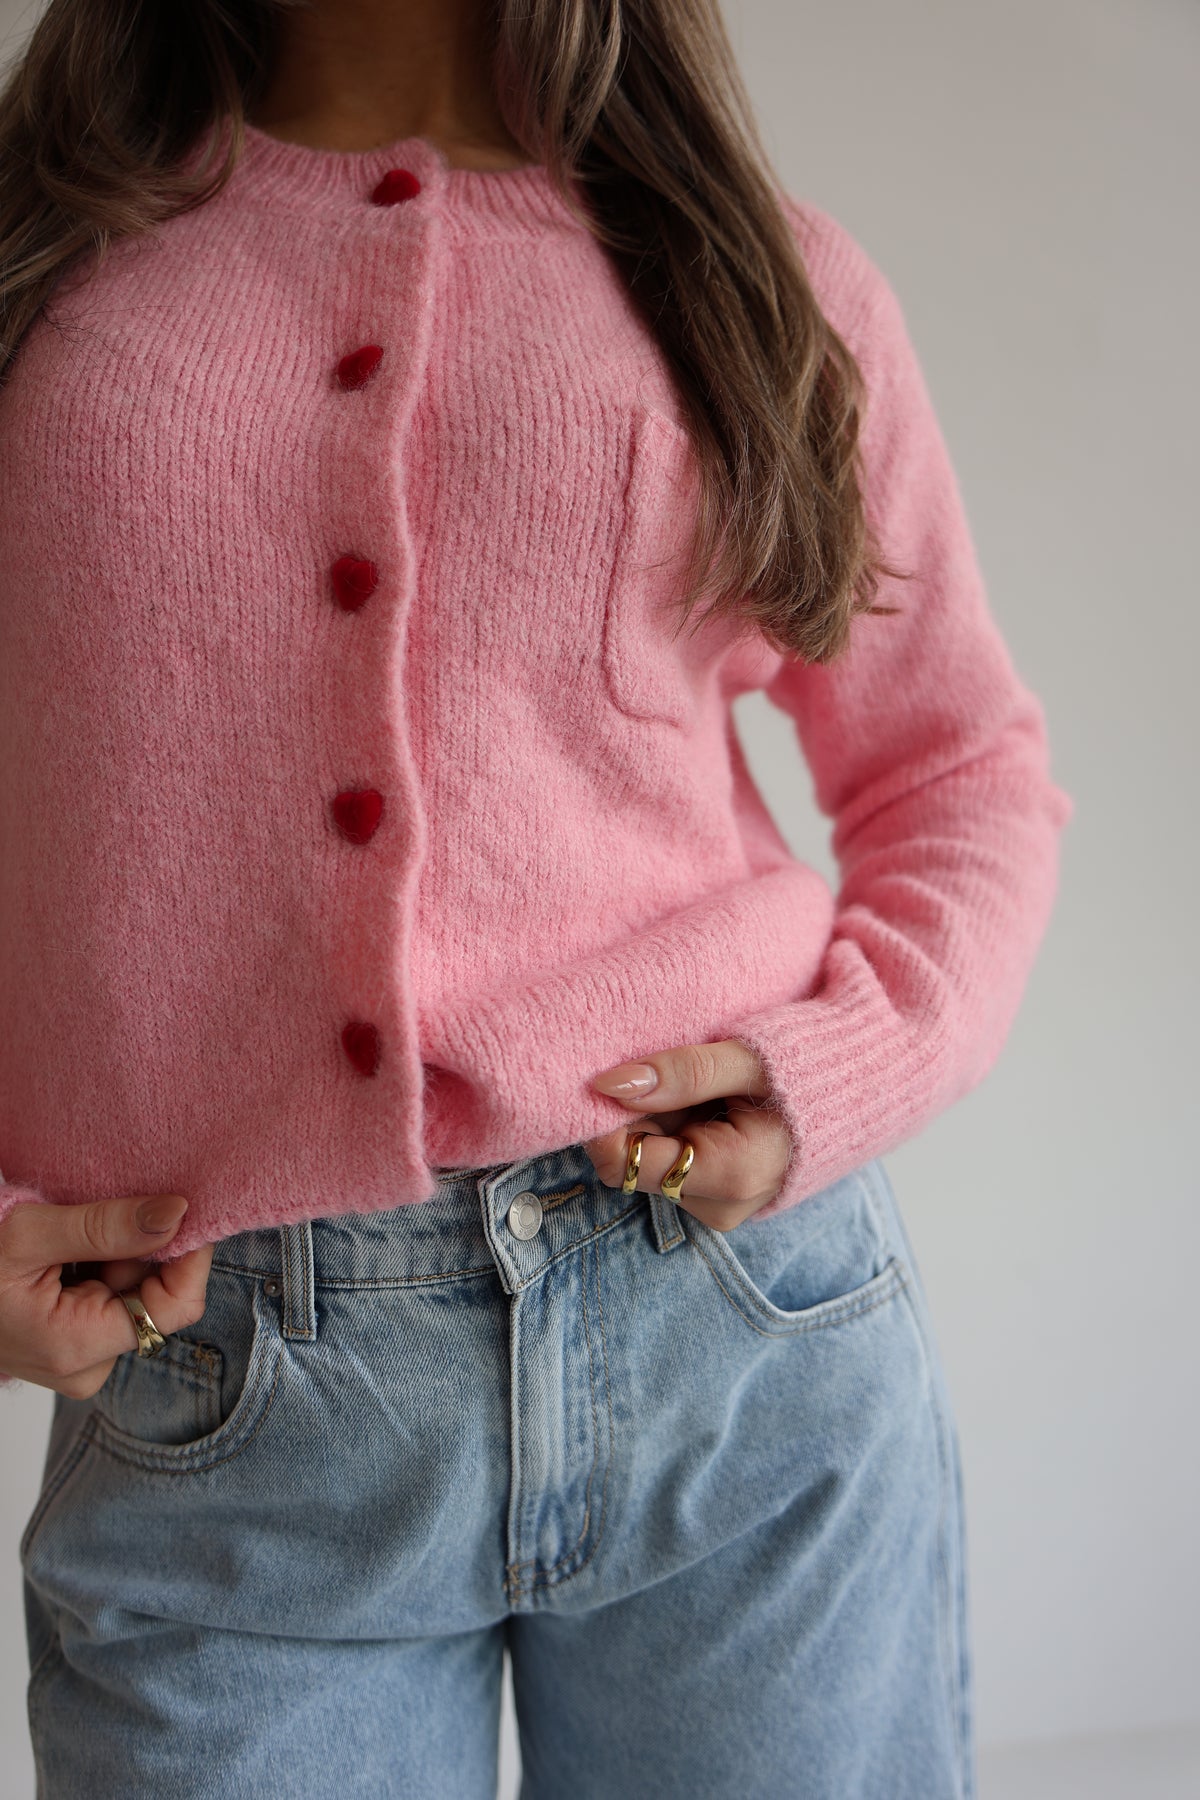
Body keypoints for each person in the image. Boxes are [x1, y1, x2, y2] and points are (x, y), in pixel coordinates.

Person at [0, 0, 1072, 1794]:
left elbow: (959, 766)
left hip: (737, 1335)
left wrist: (844, 1064)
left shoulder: (754, 279)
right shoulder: (42, 261)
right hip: (222, 1385)